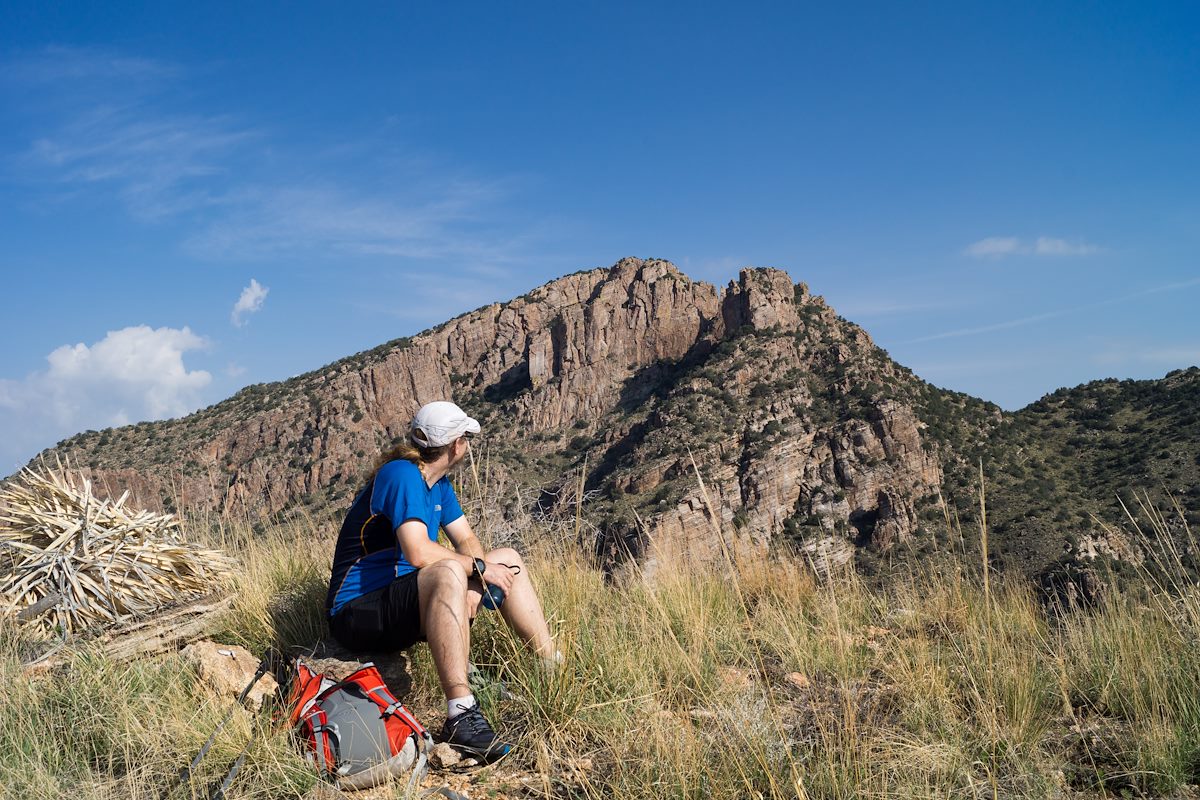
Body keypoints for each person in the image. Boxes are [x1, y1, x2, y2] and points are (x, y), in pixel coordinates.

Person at [325, 400, 557, 761]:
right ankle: (462, 716)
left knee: (508, 559)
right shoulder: (401, 474)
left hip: (407, 599)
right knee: (449, 570)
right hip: (357, 612)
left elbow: (466, 540)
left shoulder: (439, 484)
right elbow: (418, 552)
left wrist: (477, 581)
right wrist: (473, 571)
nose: (467, 444)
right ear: (456, 445)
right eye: (466, 437)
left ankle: (551, 670)